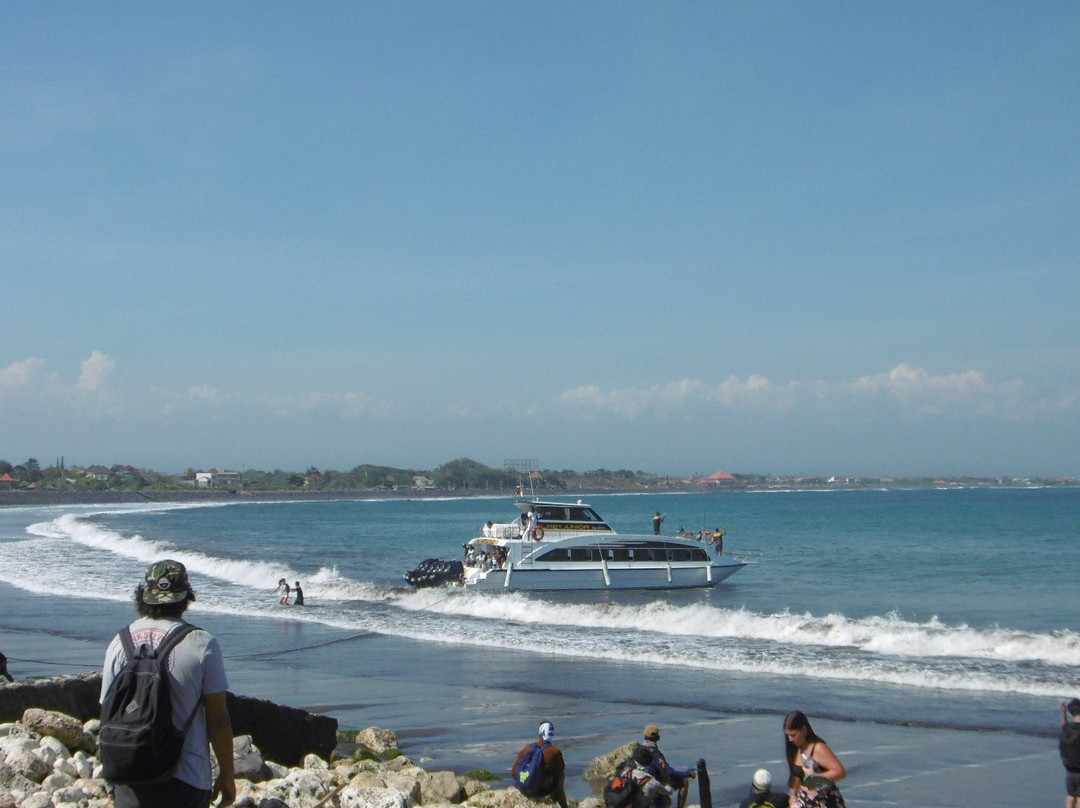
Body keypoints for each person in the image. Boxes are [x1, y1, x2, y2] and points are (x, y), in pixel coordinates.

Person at [101, 559, 235, 808]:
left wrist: (111, 781)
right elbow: (218, 719)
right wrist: (227, 774)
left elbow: (108, 713)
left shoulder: (119, 642)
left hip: (130, 778)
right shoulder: (201, 643)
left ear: (144, 595)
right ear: (186, 597)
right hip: (187, 780)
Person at [783, 711, 845, 808]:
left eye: (793, 735)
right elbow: (796, 775)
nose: (790, 739)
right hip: (804, 798)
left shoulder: (818, 748)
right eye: (788, 735)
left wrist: (816, 778)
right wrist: (793, 794)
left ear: (804, 730)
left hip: (824, 800)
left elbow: (840, 772)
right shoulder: (796, 748)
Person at [512, 721, 569, 808]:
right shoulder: (555, 752)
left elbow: (514, 773)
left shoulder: (526, 749)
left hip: (522, 788)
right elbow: (560, 773)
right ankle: (563, 806)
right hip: (540, 791)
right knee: (560, 776)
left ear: (540, 733)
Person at [637, 724, 696, 808]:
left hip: (638, 782)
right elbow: (669, 771)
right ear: (656, 737)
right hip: (651, 784)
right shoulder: (655, 754)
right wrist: (689, 773)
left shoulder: (638, 750)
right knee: (683, 780)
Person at [627, 743, 674, 808]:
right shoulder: (652, 782)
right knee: (666, 799)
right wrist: (664, 772)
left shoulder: (626, 774)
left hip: (628, 804)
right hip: (643, 804)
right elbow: (668, 791)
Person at [1061, 698, 1080, 808]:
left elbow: (1064, 725)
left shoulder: (1068, 728)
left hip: (1069, 769)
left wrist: (1063, 713)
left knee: (1071, 796)